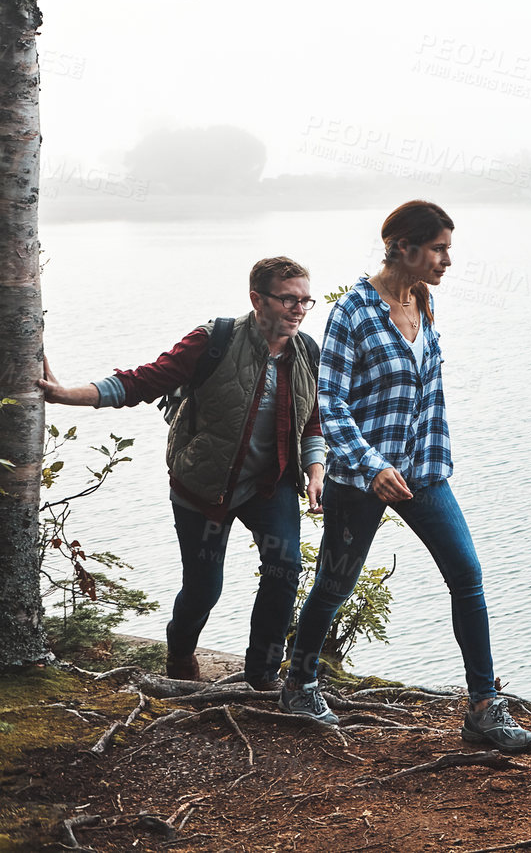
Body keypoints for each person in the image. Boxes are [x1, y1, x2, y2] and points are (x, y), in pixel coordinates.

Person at [280, 199, 531, 753]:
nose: (447, 261)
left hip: (424, 470)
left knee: (467, 576)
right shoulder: (352, 312)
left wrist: (418, 463)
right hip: (361, 478)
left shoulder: (423, 300)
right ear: (403, 247)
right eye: (439, 249)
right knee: (334, 584)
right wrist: (372, 467)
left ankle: (484, 708)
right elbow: (331, 403)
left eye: (447, 249)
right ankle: (299, 683)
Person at [38, 257, 325, 690]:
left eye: (305, 301)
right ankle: (179, 648)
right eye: (288, 299)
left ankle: (262, 677)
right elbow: (144, 381)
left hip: (269, 486)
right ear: (257, 299)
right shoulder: (216, 340)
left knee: (285, 569)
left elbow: (311, 421)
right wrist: (67, 395)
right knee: (203, 590)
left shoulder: (307, 353)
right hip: (203, 487)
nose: (299, 309)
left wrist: (315, 470)